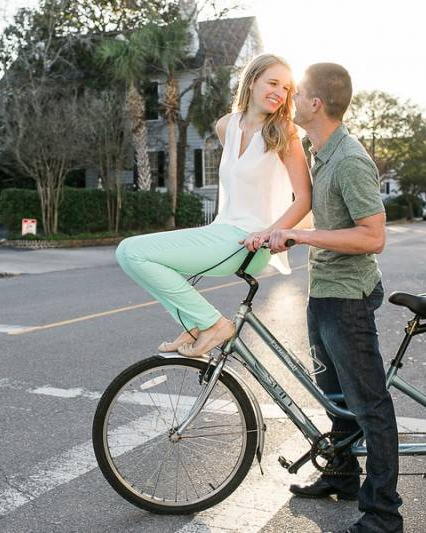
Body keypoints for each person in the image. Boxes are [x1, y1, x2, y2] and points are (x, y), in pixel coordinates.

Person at [259, 63, 403, 532]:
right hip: (324, 291)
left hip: (348, 297)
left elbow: (373, 237)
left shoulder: (350, 160)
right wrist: (279, 231)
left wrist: (304, 238)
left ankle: (383, 513)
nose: (291, 100)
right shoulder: (321, 152)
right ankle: (341, 475)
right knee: (336, 395)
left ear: (316, 103)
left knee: (370, 404)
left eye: (298, 93)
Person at [115, 53, 311, 358]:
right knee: (129, 255)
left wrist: (269, 233)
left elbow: (305, 198)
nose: (280, 93)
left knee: (131, 251)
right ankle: (195, 323)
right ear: (251, 82)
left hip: (250, 242)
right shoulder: (226, 126)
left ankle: (213, 324)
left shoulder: (283, 131)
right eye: (273, 83)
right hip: (222, 231)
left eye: (286, 88)